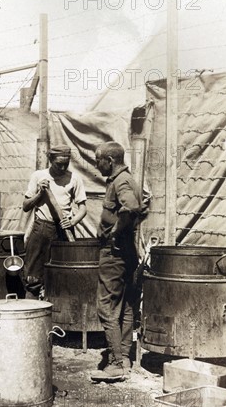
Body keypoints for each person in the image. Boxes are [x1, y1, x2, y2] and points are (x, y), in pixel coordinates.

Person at [90, 141, 148, 381]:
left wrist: (114, 232)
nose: (97, 165)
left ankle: (115, 364)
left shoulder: (121, 181)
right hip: (126, 253)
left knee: (106, 307)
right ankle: (124, 356)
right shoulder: (126, 179)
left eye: (98, 160)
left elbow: (132, 207)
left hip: (114, 253)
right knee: (124, 305)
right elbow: (141, 208)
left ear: (110, 160)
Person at [22, 144, 87, 299]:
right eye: (59, 164)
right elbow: (25, 206)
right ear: (50, 160)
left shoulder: (74, 178)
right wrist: (39, 193)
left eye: (66, 163)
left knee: (63, 275)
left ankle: (58, 313)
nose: (63, 167)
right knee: (33, 276)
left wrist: (72, 222)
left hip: (64, 231)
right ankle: (31, 312)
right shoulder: (38, 176)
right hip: (42, 229)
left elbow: (83, 209)